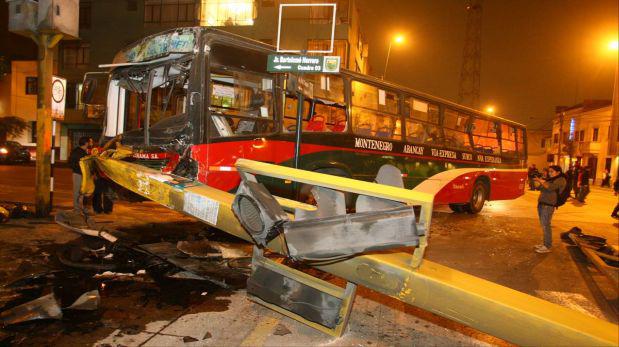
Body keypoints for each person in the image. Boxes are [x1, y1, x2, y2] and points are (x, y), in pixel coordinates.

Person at [533, 165, 567, 254]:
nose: (550, 173)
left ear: (558, 172)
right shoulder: (549, 179)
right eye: (549, 171)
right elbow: (539, 188)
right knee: (543, 225)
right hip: (541, 204)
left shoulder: (561, 179)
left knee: (546, 225)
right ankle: (545, 243)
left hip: (548, 206)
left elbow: (551, 187)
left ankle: (547, 246)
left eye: (552, 171)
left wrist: (541, 181)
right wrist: (539, 181)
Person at [68, 137, 92, 213]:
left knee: (83, 192)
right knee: (77, 191)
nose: (91, 143)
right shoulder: (78, 152)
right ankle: (77, 208)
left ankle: (80, 207)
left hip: (84, 175)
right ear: (86, 143)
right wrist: (80, 169)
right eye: (90, 142)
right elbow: (71, 163)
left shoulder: (84, 152)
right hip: (78, 174)